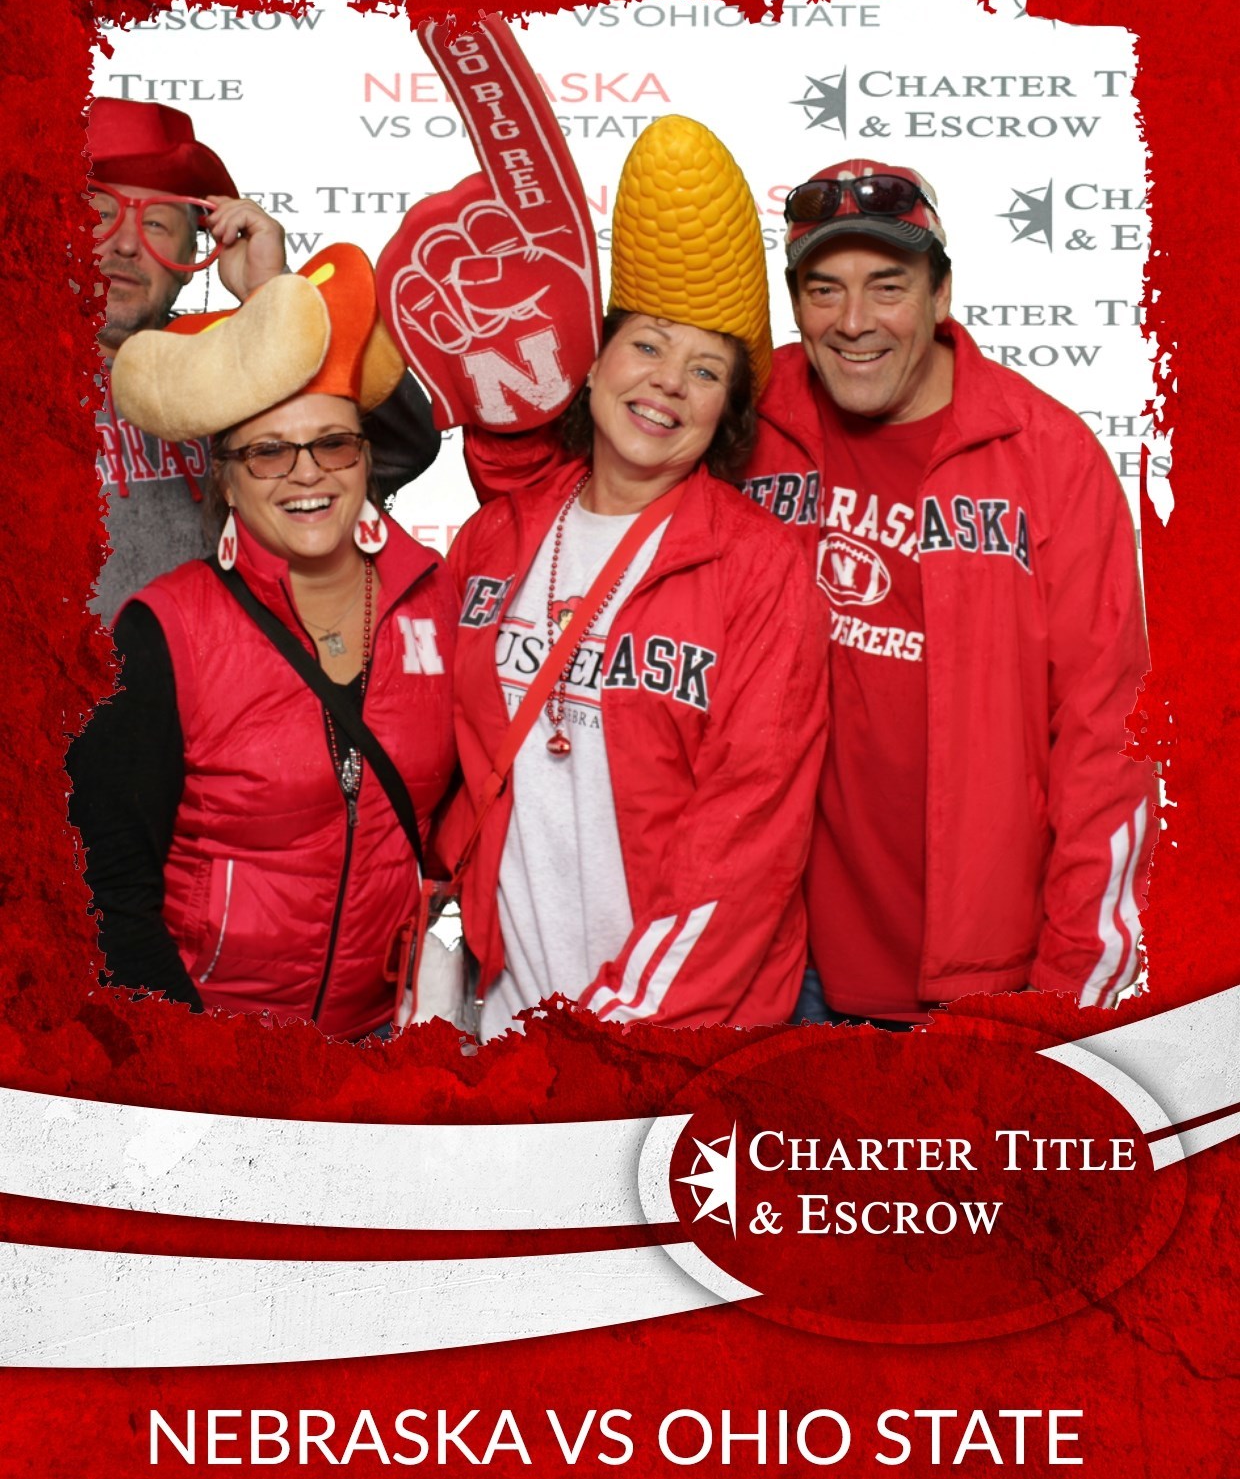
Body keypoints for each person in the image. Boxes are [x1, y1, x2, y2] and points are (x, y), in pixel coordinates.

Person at [445, 117, 829, 1037]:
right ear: (594, 364)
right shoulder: (494, 540)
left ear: (727, 413)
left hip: (669, 1041)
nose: (668, 384)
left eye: (707, 371)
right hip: (502, 1028)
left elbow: (746, 843)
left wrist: (610, 1037)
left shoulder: (762, 572)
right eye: (648, 346)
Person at [746, 159, 1155, 1021]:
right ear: (795, 306)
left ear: (941, 295)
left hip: (979, 990)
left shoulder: (1049, 457)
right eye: (824, 290)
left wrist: (1063, 1008)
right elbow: (585, 498)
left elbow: (1107, 746)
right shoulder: (743, 415)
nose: (854, 322)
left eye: (887, 286)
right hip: (772, 965)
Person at [67, 246, 457, 1040]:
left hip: (384, 1047)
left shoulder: (439, 600)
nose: (306, 474)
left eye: (332, 443)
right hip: (215, 1048)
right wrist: (195, 1067)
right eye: (268, 451)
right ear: (226, 479)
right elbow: (109, 892)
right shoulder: (163, 631)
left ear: (366, 459)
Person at [87, 98, 440, 618]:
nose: (125, 245)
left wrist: (271, 298)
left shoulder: (240, 363)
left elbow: (402, 447)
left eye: (157, 225)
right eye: (98, 215)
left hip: (235, 666)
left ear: (191, 258)